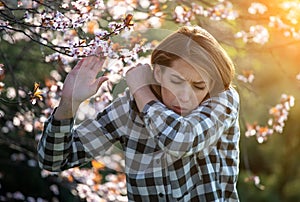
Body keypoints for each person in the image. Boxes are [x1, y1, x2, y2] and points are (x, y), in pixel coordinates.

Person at [38, 25, 240, 201]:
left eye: (198, 86)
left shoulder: (223, 100)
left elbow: (180, 141)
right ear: (158, 73)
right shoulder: (130, 108)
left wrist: (141, 90)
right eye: (176, 81)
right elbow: (54, 160)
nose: (185, 97)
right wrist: (69, 103)